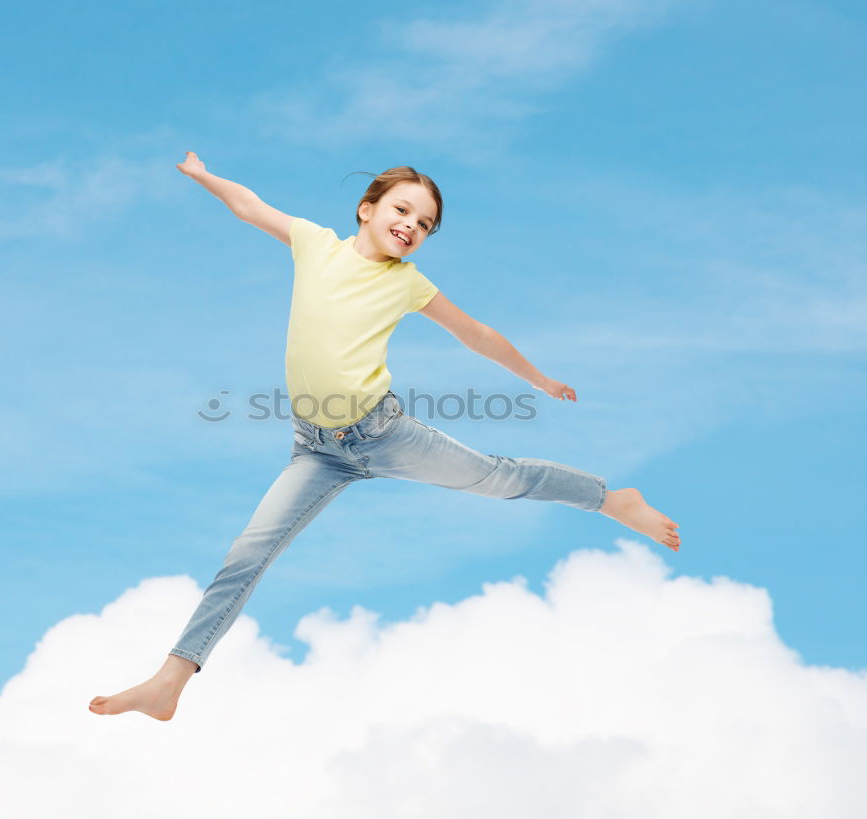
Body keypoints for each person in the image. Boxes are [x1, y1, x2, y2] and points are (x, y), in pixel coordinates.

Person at [88, 153, 681, 721]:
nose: (411, 227)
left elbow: (477, 335)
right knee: (246, 555)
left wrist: (541, 380)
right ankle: (171, 681)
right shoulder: (315, 244)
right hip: (316, 450)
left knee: (500, 479)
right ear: (366, 209)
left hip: (383, 434)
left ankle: (612, 499)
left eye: (424, 224)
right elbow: (249, 206)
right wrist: (202, 174)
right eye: (401, 210)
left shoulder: (407, 283)